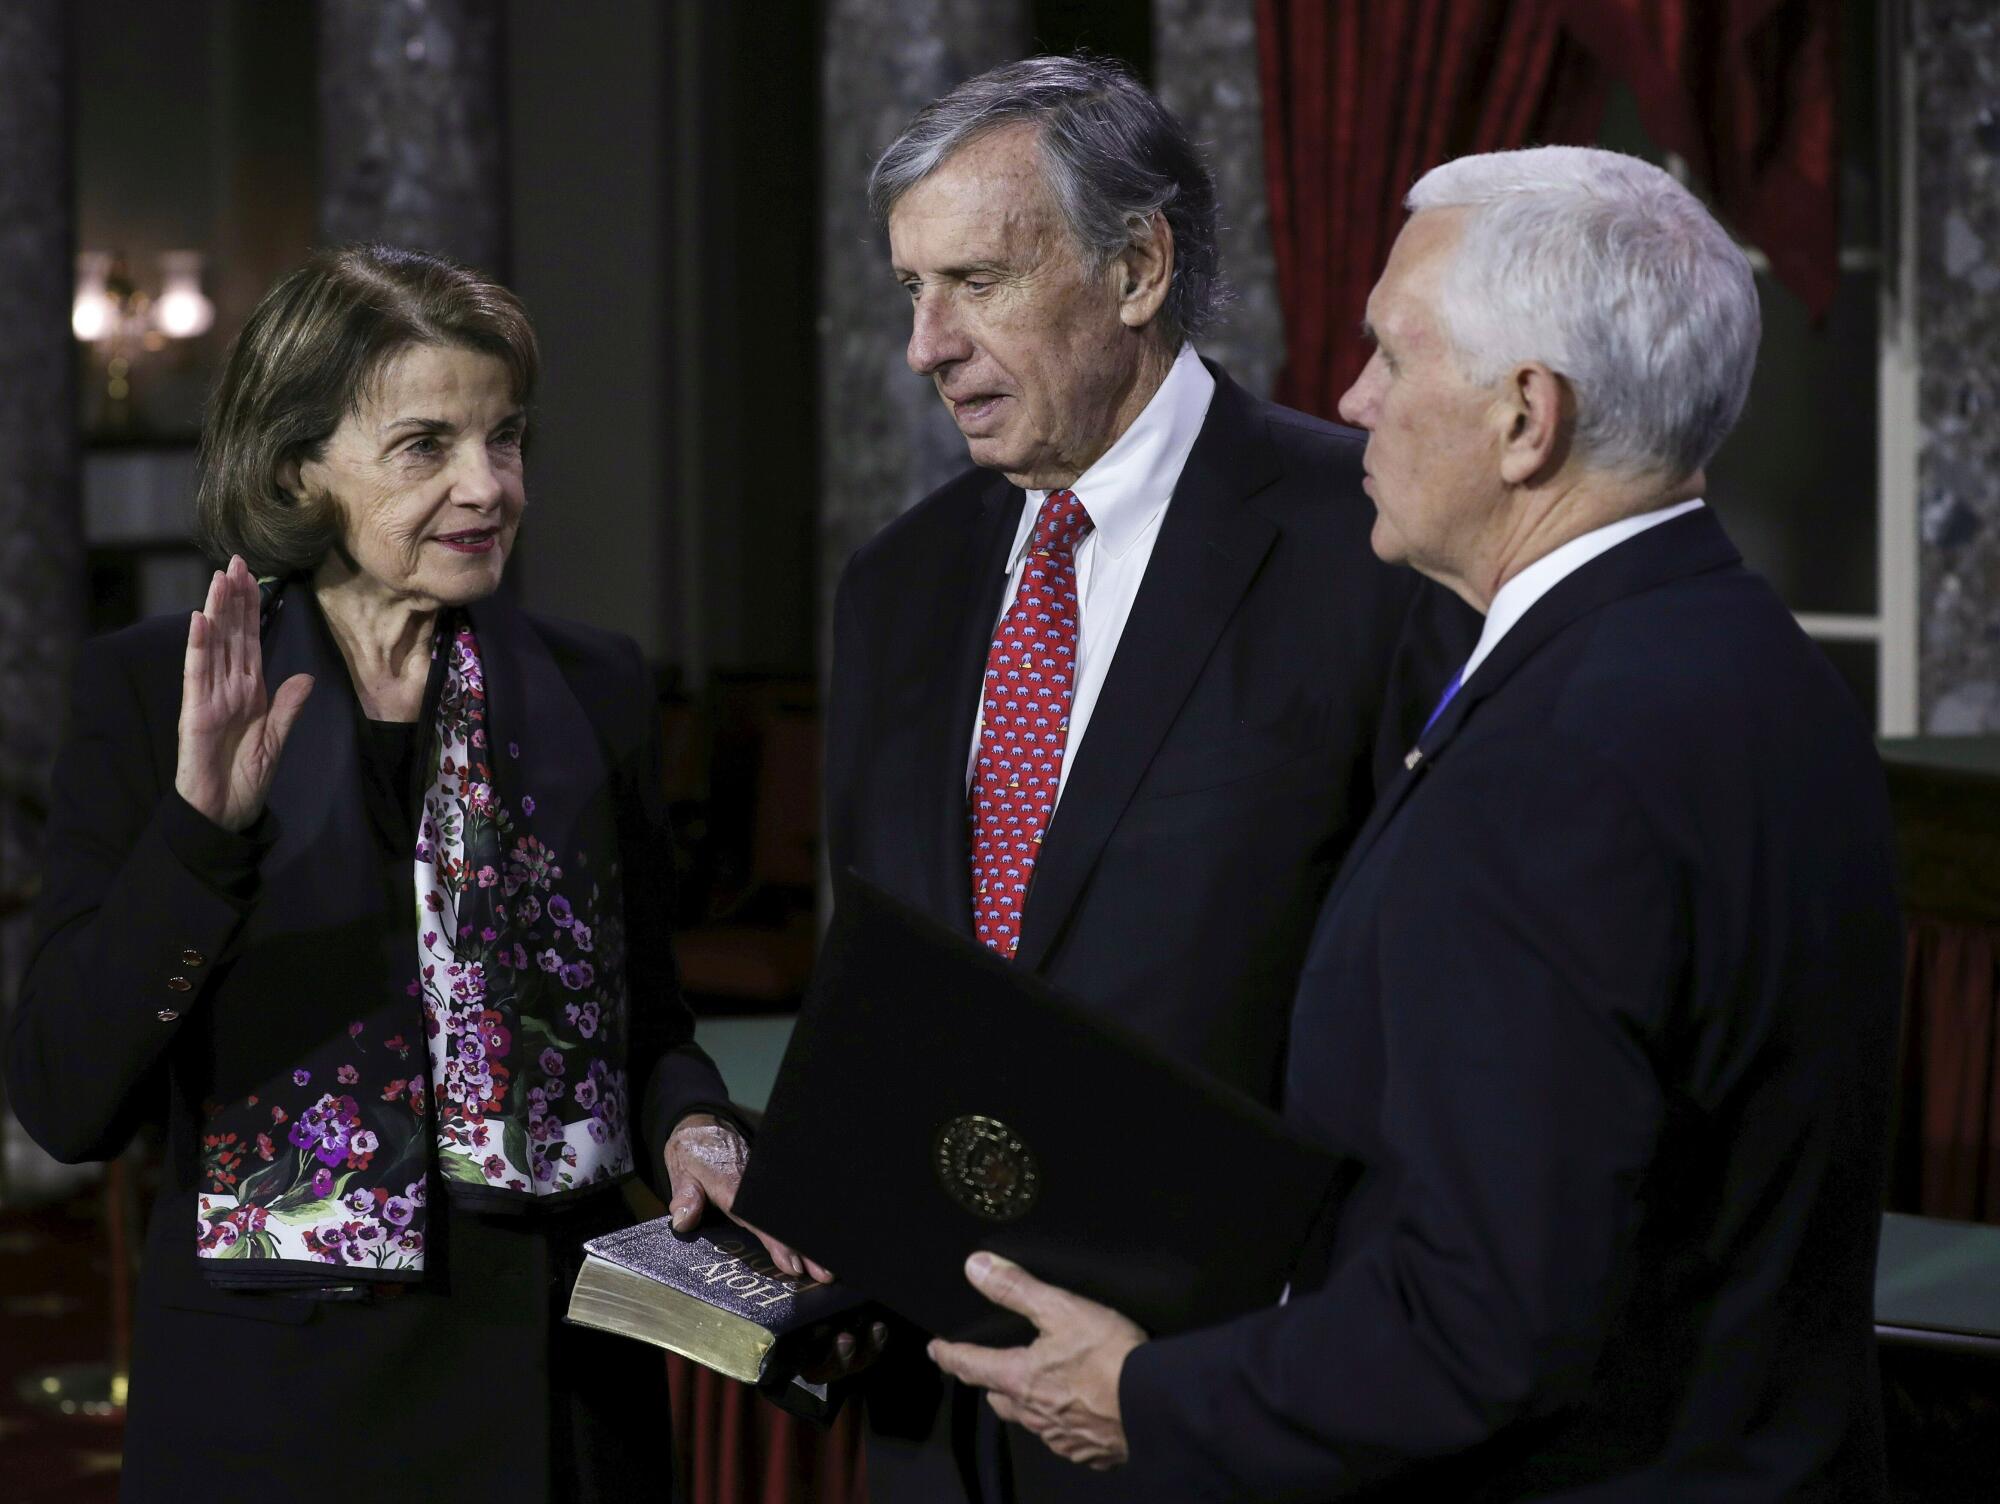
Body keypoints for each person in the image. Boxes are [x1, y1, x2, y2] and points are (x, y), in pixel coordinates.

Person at [930, 145, 1903, 1500]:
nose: (1353, 397)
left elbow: (1480, 1329)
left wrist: (1145, 1397)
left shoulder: (1552, 758)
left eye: (1392, 354)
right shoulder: (1767, 671)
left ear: (1526, 418)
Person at [4, 244, 820, 1502]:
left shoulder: (593, 686)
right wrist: (198, 835)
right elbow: (66, 1099)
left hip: (557, 1389)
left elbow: (646, 1019)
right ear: (297, 468)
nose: (487, 486)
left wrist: (693, 1123)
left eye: (507, 439)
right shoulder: (153, 692)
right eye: (425, 446)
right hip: (276, 1398)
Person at [826, 55, 1471, 1502]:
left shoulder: (1365, 548)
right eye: (908, 291)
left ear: (1136, 266)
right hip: (932, 1411)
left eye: (975, 280)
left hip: (1218, 1400)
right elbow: (871, 967)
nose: (925, 344)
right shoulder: (896, 585)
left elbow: (1430, 1014)